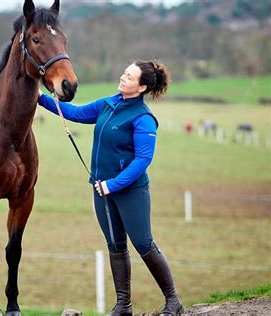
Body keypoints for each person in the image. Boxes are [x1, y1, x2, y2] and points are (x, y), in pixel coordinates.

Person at [38, 60, 183, 315]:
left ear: (141, 87)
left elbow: (143, 160)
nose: (123, 77)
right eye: (125, 72)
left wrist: (113, 185)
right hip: (101, 190)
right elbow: (75, 113)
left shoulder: (143, 118)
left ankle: (173, 301)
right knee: (115, 245)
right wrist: (40, 97)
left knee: (143, 243)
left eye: (129, 76)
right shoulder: (108, 104)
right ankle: (123, 305)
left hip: (130, 192)